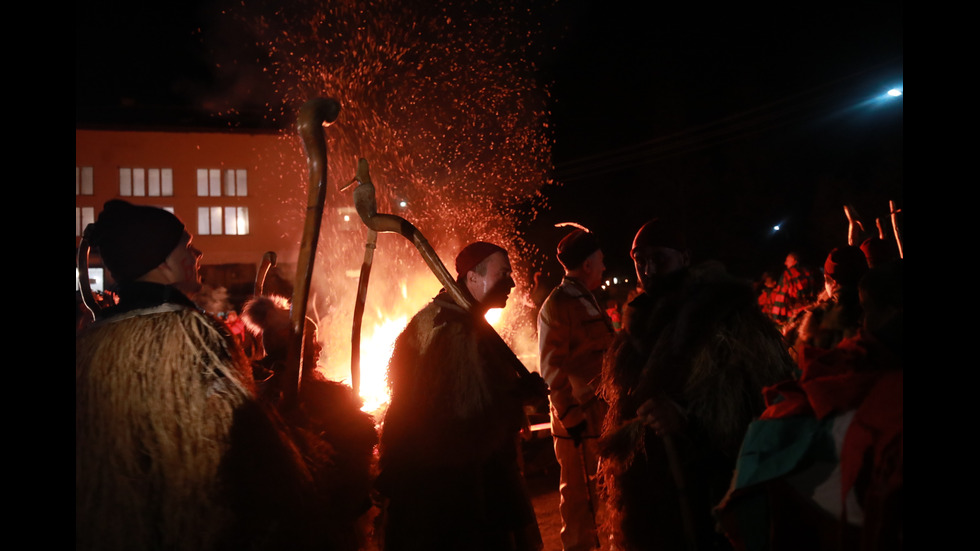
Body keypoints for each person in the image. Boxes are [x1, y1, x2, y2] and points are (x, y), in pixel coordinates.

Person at [76, 200, 328, 551]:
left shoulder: (90, 342)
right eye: (187, 245)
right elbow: (242, 452)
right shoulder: (194, 333)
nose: (197, 253)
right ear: (162, 260)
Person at [599, 218, 795, 551]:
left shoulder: (728, 320)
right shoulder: (636, 331)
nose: (647, 269)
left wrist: (688, 421)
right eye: (639, 259)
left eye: (659, 258)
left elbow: (762, 408)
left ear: (684, 258)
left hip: (712, 495)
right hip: (657, 500)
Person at [376, 241, 547, 551]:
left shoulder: (448, 319)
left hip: (443, 486)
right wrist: (518, 399)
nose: (511, 282)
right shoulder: (453, 330)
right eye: (503, 273)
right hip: (457, 494)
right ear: (472, 278)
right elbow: (466, 419)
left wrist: (517, 391)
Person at [538, 229, 615, 551]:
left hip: (596, 416)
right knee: (580, 501)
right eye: (600, 261)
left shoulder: (583, 299)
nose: (604, 267)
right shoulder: (559, 304)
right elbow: (551, 367)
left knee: (603, 496)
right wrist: (571, 416)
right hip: (579, 422)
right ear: (586, 264)